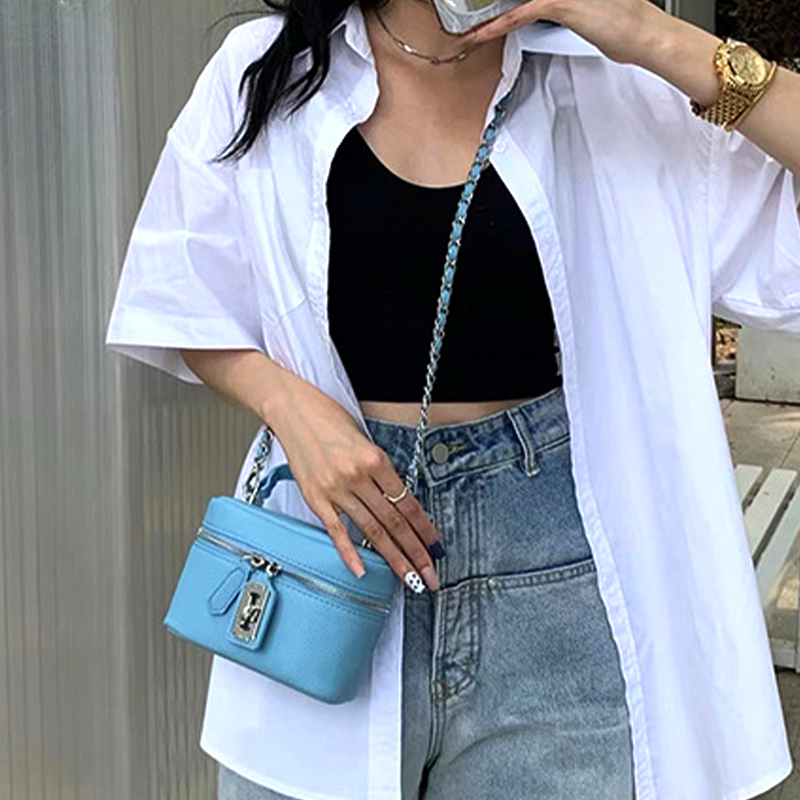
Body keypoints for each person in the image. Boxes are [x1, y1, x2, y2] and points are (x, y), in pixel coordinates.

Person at [104, 0, 800, 798]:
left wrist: (653, 34)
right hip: (332, 554)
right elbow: (181, 287)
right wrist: (290, 409)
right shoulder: (266, 67)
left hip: (554, 569)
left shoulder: (611, 80)